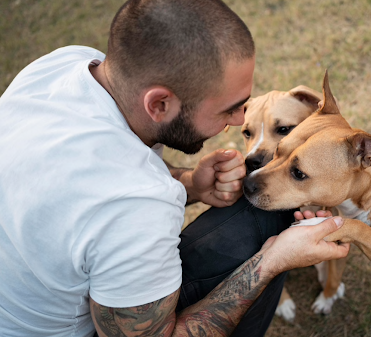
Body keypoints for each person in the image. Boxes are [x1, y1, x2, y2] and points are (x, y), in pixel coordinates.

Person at [0, 0, 350, 336]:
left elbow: (94, 167)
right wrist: (272, 261)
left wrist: (189, 184)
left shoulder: (62, 66)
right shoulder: (135, 207)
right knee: (262, 213)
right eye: (229, 109)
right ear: (159, 104)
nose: (240, 119)